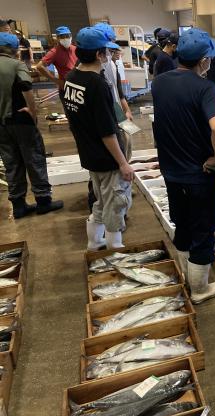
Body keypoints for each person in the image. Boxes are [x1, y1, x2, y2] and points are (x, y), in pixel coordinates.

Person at [151, 28, 215, 304]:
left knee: (182, 224)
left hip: (171, 172)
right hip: (199, 174)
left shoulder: (159, 83)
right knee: (204, 230)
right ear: (204, 60)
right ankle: (199, 290)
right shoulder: (205, 88)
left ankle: (188, 275)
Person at [62, 27, 133, 250]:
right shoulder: (97, 84)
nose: (110, 55)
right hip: (106, 156)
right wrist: (123, 163)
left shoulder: (71, 78)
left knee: (100, 200)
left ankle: (95, 242)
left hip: (88, 153)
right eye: (107, 52)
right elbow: (107, 131)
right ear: (98, 54)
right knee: (115, 202)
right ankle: (115, 248)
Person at [0, 32, 63, 218]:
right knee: (34, 158)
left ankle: (18, 205)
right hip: (20, 120)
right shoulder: (16, 65)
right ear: (14, 49)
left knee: (11, 162)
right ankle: (43, 201)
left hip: (1, 125)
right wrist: (32, 113)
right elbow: (26, 88)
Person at [36, 26, 77, 96]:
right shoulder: (54, 52)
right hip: (67, 86)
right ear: (58, 38)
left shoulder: (75, 49)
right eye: (62, 37)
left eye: (67, 36)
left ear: (71, 36)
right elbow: (40, 66)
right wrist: (57, 81)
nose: (65, 39)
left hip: (79, 84)